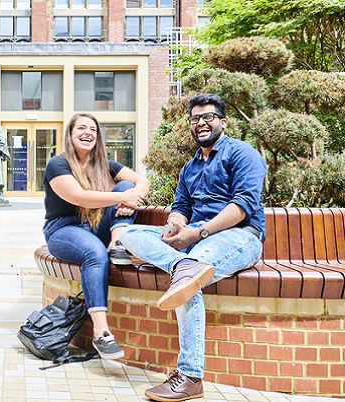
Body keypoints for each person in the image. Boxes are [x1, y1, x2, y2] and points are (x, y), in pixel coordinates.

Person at [120, 94, 267, 402]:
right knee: (131, 233)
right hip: (194, 238)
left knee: (189, 279)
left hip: (239, 236)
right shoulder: (189, 167)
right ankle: (179, 265)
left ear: (223, 122)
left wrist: (196, 232)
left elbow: (241, 207)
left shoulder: (241, 154)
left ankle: (190, 376)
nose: (200, 123)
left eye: (208, 117)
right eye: (195, 119)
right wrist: (175, 224)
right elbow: (181, 205)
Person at [43, 113, 150, 359]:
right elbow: (78, 197)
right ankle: (101, 332)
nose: (87, 132)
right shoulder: (58, 165)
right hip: (63, 229)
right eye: (81, 128)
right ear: (70, 134)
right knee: (94, 253)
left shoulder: (104, 164)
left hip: (95, 226)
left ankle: (117, 242)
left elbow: (141, 180)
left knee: (125, 185)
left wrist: (134, 196)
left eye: (93, 129)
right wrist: (123, 198)